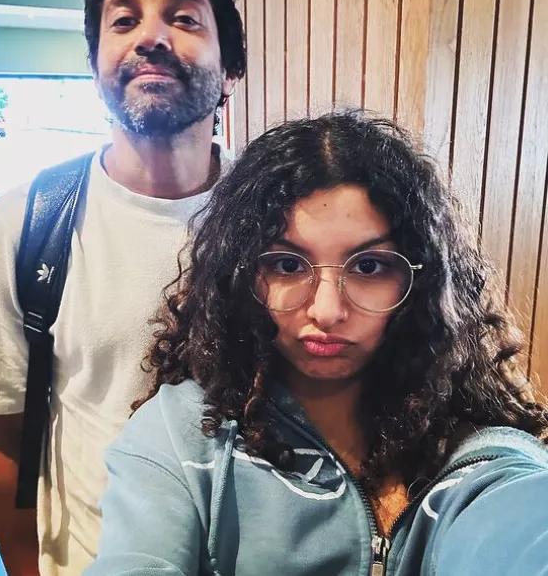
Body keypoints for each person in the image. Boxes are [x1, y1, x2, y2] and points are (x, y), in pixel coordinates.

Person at [87, 110, 548, 576]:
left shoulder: (478, 452)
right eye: (287, 266)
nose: (327, 311)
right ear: (240, 276)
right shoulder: (180, 439)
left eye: (368, 267)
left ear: (422, 282)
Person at [0, 0, 245, 576]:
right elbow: (3, 438)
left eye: (184, 18)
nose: (151, 37)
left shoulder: (282, 219)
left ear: (230, 68)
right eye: (124, 20)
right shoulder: (19, 227)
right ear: (95, 66)